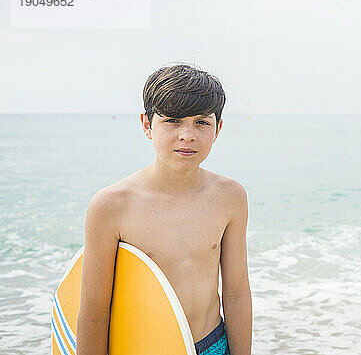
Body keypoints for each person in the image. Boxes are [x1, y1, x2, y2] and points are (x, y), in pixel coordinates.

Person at [75, 64, 252, 355]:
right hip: (142, 347)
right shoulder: (111, 205)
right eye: (172, 120)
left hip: (212, 344)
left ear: (218, 128)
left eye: (201, 122)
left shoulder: (230, 197)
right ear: (147, 125)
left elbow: (236, 294)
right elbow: (94, 313)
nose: (187, 135)